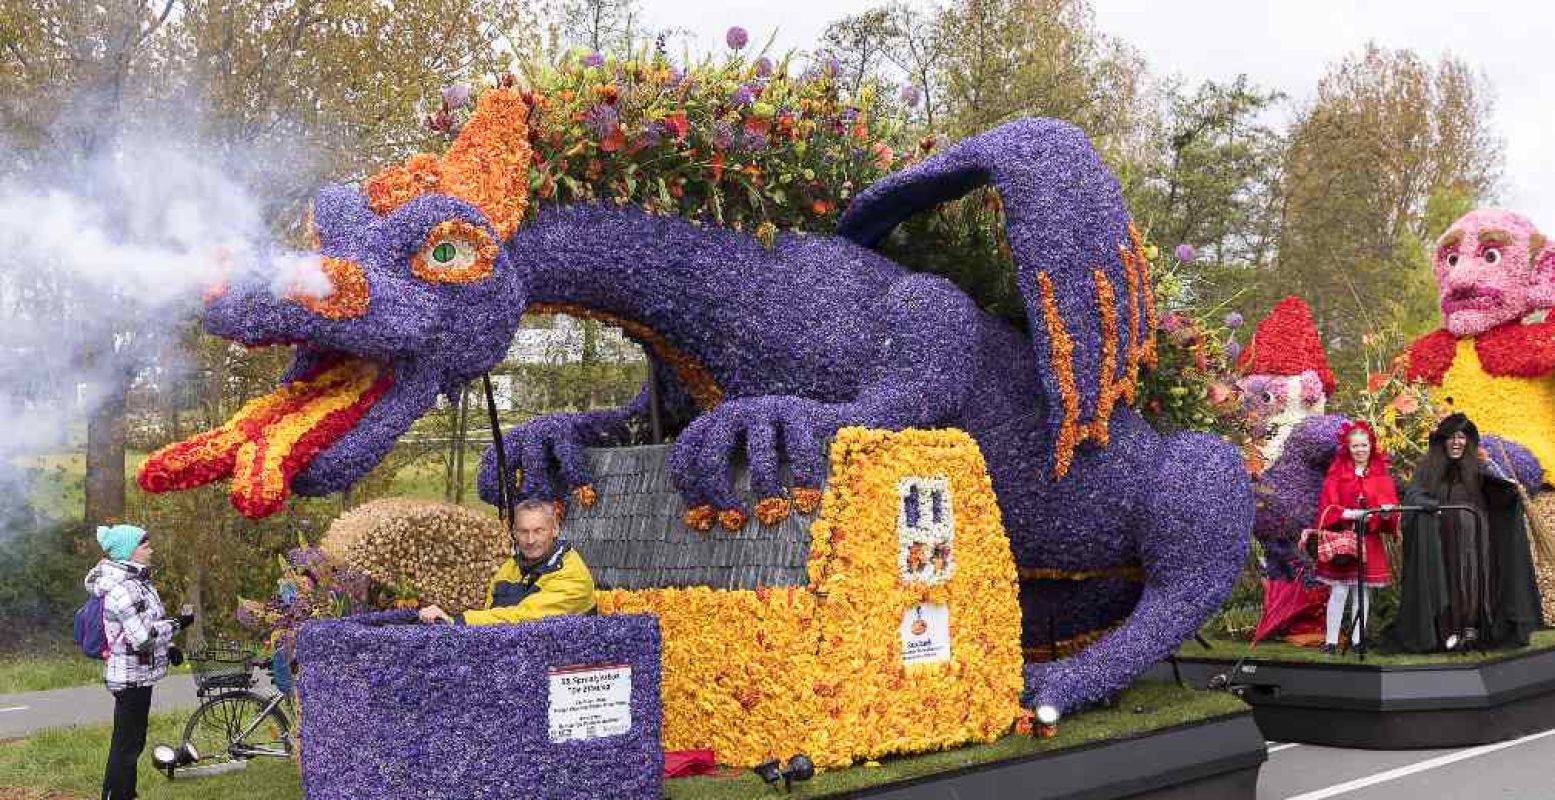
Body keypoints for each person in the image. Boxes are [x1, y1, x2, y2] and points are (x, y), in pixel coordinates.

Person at [1387, 413, 1542, 652]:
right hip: (1441, 542)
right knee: (1445, 582)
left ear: (1468, 441)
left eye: (1461, 437)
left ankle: (1471, 628)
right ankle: (1446, 632)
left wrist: (1499, 476)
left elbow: (1501, 490)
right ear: (1442, 441)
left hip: (1476, 542)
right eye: (1451, 437)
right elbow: (1413, 494)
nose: (1456, 442)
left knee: (1471, 582)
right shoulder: (1428, 469)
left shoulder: (1477, 467)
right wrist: (1426, 503)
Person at [87, 524, 192, 800]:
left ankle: (126, 793)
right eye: (145, 546)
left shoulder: (139, 584)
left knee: (133, 741)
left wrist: (168, 647)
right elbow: (142, 637)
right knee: (126, 744)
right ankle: (114, 795)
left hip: (139, 675)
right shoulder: (122, 589)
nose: (151, 550)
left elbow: (147, 624)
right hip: (129, 677)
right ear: (129, 551)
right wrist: (178, 623)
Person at [418, 499, 596, 626]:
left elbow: (525, 619)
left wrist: (456, 621)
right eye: (523, 531)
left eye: (538, 531)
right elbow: (491, 610)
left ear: (555, 529)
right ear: (514, 533)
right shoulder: (512, 566)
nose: (530, 539)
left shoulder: (572, 575)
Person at [1311, 420, 1399, 654]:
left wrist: (1385, 513)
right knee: (1339, 590)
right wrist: (1347, 513)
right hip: (1344, 539)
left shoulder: (1381, 476)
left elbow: (1390, 508)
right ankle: (1330, 640)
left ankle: (1359, 639)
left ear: (1371, 446)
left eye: (1364, 445)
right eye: (1355, 446)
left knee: (1363, 592)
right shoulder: (1336, 475)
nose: (1360, 450)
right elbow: (1327, 506)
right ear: (1348, 448)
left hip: (1368, 539)